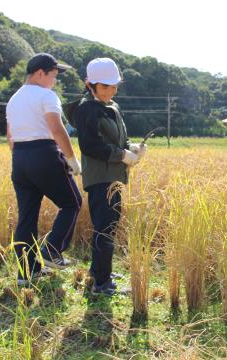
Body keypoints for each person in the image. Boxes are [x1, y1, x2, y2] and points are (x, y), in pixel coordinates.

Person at [6, 53, 82, 286]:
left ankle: (26, 274)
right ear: (40, 73)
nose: (54, 81)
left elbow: (10, 136)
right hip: (45, 153)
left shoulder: (14, 99)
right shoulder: (46, 95)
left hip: (19, 158)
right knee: (72, 202)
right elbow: (57, 129)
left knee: (26, 217)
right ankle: (52, 251)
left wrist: (25, 161)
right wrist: (71, 159)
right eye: (53, 75)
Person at [73, 57, 146, 296]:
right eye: (105, 86)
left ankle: (99, 272)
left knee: (109, 226)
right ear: (89, 84)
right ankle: (101, 284)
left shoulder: (112, 107)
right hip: (100, 178)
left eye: (114, 86)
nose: (111, 91)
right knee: (105, 227)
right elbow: (90, 146)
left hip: (114, 177)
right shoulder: (87, 109)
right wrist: (122, 154)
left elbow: (119, 139)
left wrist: (132, 148)